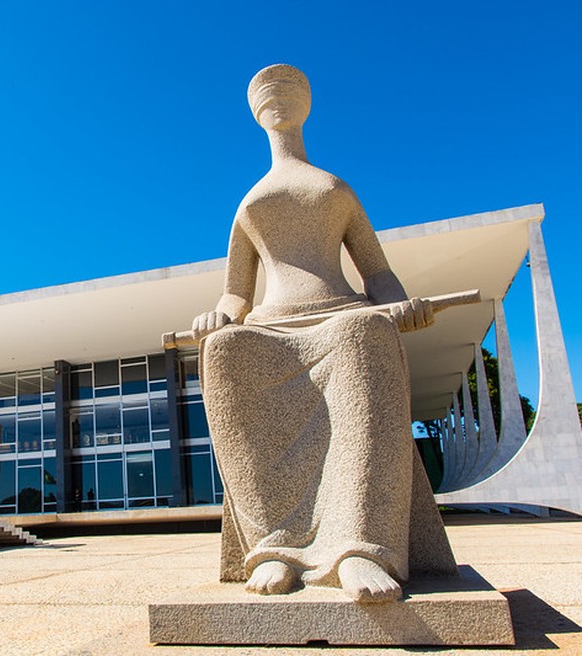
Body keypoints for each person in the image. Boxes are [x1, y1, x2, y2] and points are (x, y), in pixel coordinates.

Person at [191, 64, 449, 601]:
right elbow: (236, 294)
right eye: (267, 98)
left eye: (289, 93)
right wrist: (217, 317)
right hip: (271, 324)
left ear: (307, 106)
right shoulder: (250, 202)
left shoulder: (334, 187)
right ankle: (274, 546)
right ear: (255, 115)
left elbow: (376, 272)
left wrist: (400, 307)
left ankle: (358, 547)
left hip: (341, 316)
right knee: (223, 350)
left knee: (364, 332)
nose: (278, 103)